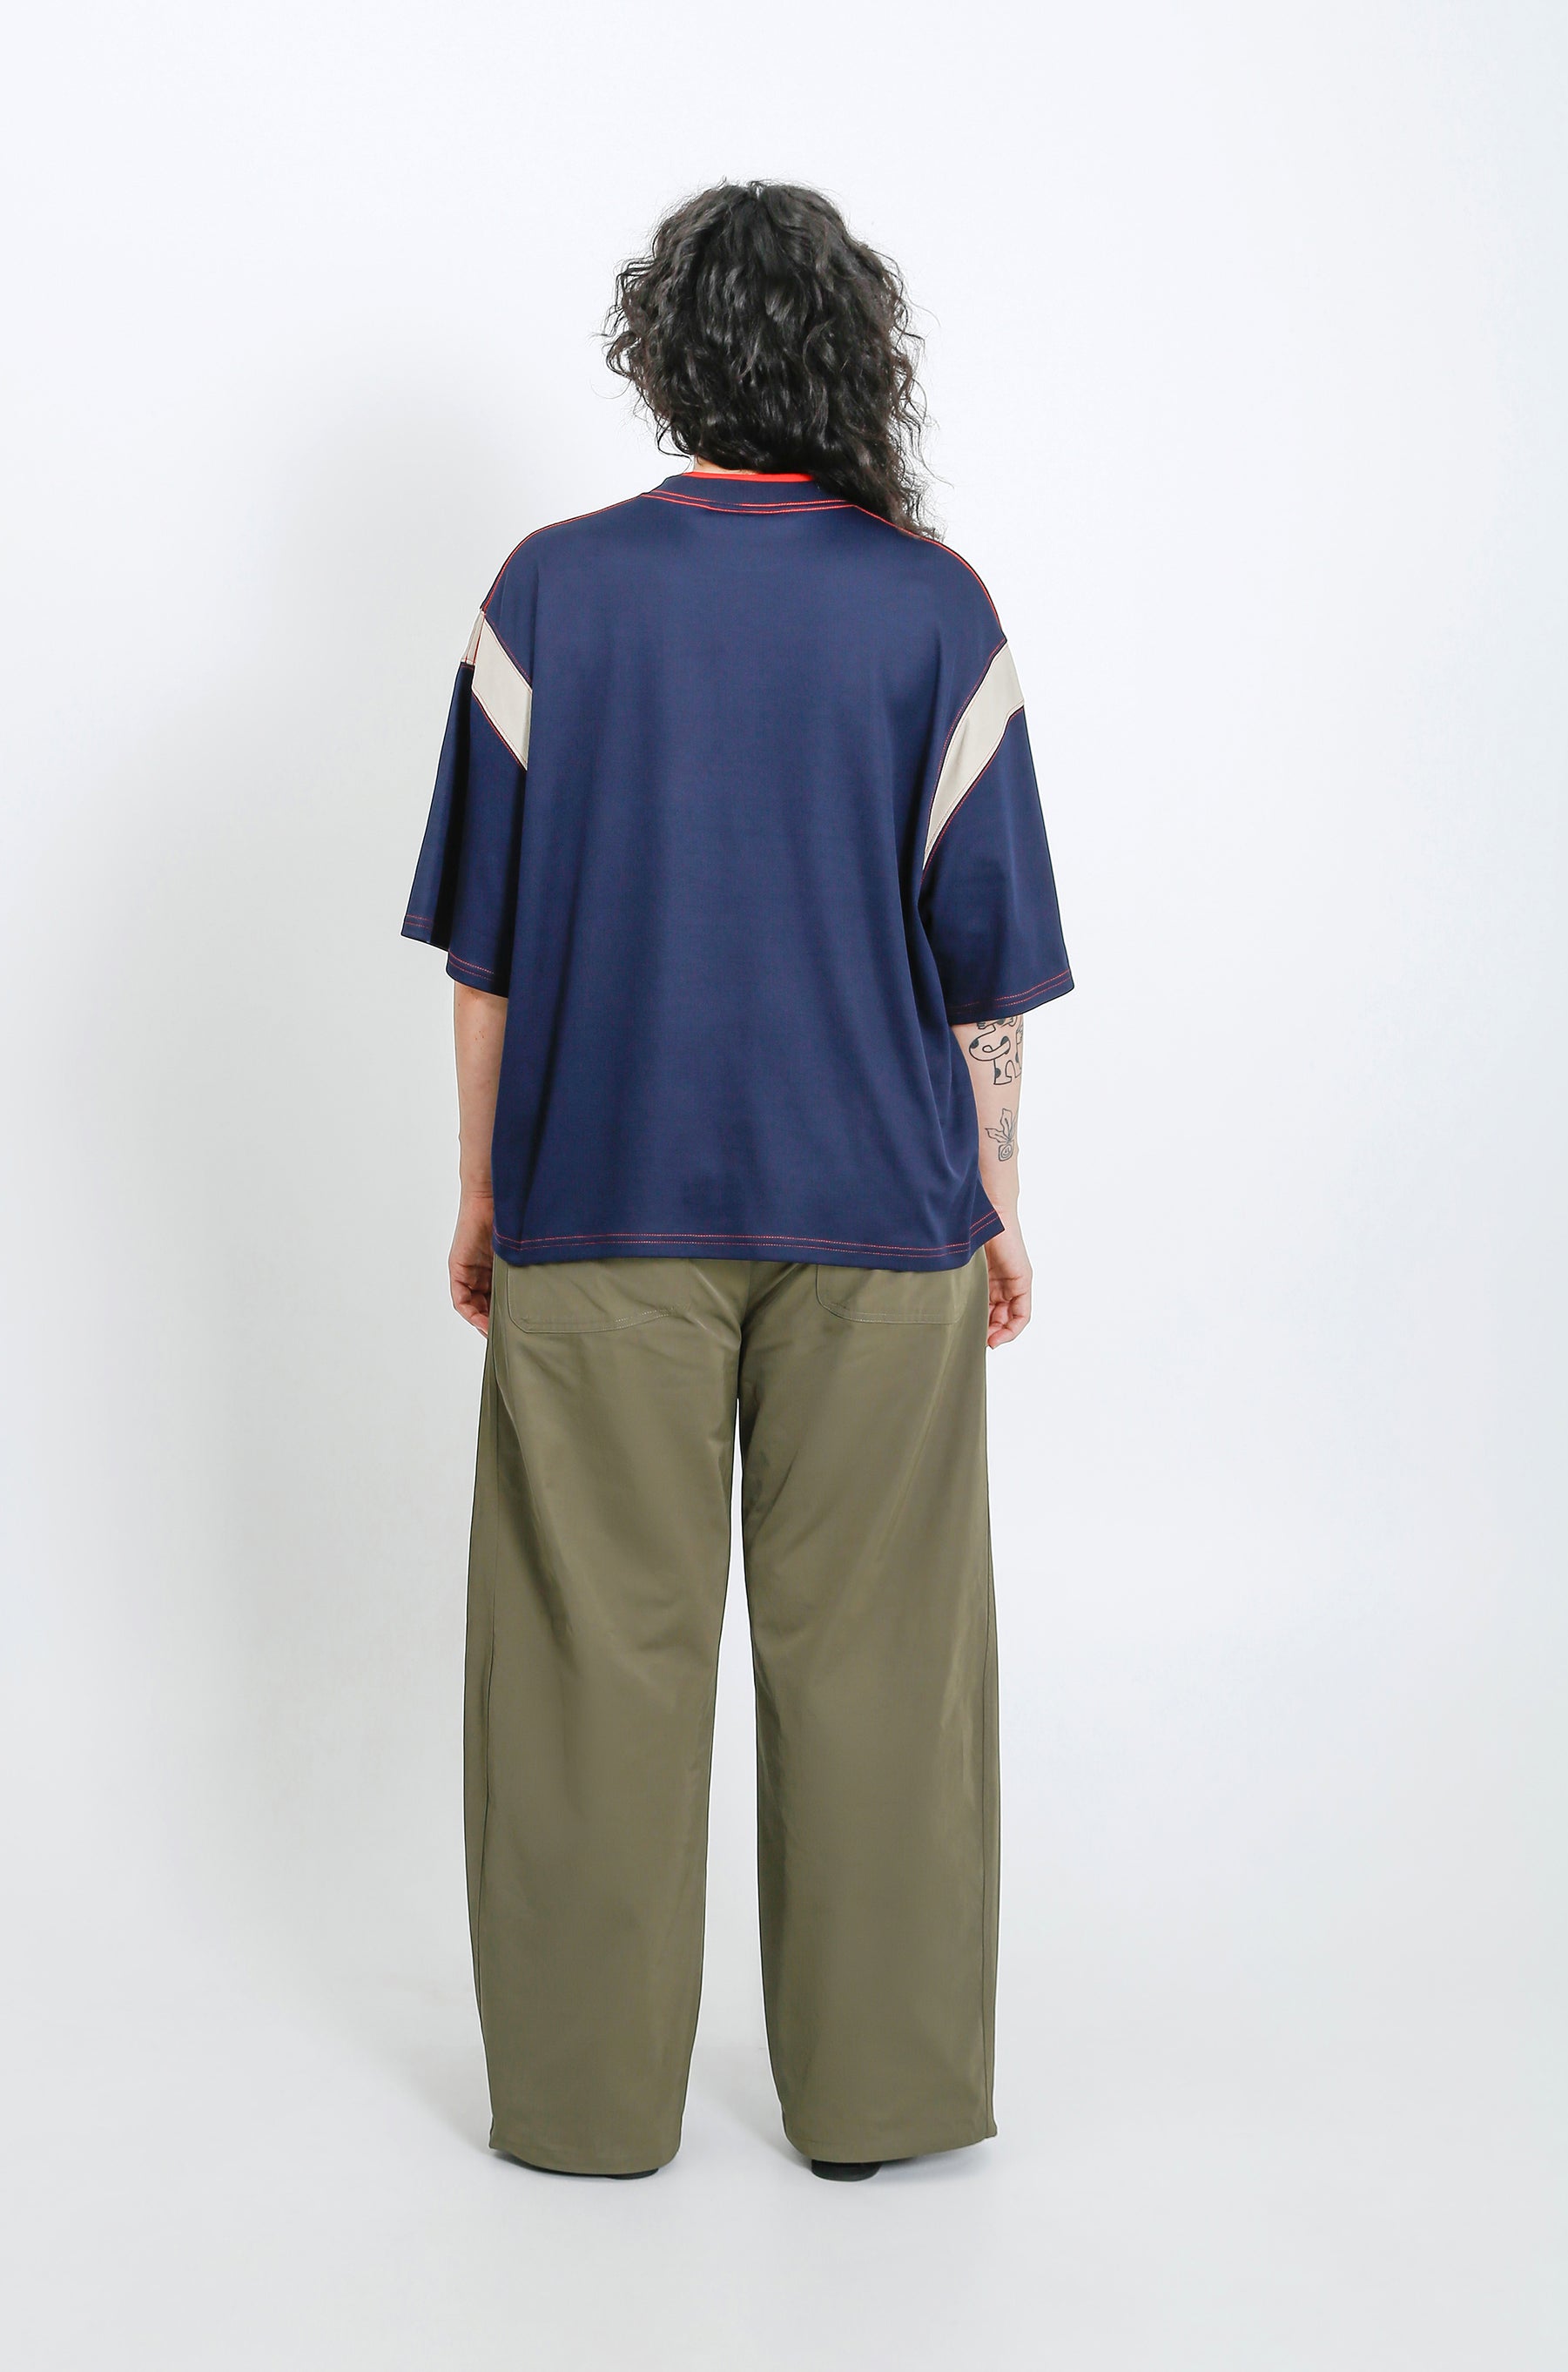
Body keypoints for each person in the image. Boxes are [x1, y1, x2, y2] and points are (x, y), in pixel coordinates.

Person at [401, 181, 1072, 2183]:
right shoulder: (932, 610)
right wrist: (995, 1192)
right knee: (879, 1665)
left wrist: (482, 1191)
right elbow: (981, 969)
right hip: (877, 1219)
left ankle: (584, 2114)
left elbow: (486, 953)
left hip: (600, 1202)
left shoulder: (550, 595)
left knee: (584, 1663)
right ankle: (881, 2105)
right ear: (855, 351)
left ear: (664, 356)